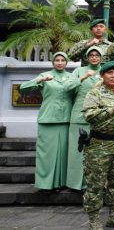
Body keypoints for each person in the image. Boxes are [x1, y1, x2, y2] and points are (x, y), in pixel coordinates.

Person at [81, 60, 114, 230]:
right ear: (102, 75)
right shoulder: (95, 93)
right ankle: (94, 220)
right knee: (95, 184)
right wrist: (113, 110)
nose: (113, 75)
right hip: (99, 146)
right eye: (109, 73)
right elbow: (89, 115)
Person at [20, 52, 77, 192]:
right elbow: (23, 88)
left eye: (63, 60)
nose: (59, 62)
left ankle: (61, 183)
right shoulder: (44, 75)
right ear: (53, 62)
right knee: (47, 154)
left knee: (63, 154)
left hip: (66, 119)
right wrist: (41, 80)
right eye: (57, 60)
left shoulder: (71, 76)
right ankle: (45, 184)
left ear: (66, 62)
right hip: (48, 119)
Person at [66, 47, 103, 191]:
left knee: (96, 152)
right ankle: (75, 183)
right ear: (87, 57)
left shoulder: (105, 71)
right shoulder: (78, 71)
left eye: (97, 55)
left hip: (98, 115)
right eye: (91, 55)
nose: (94, 57)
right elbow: (67, 87)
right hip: (79, 114)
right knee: (77, 150)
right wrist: (83, 77)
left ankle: (93, 183)